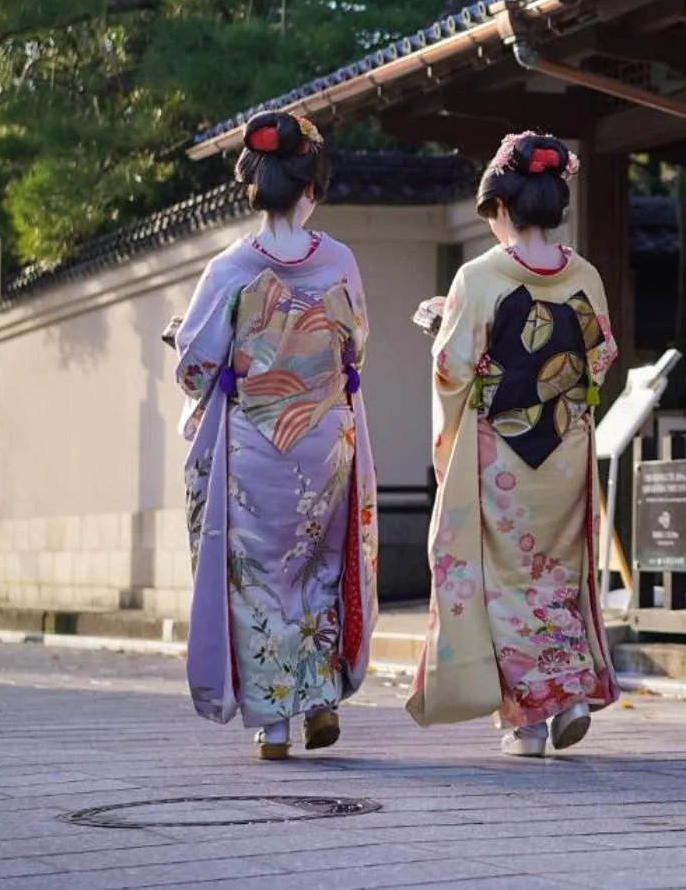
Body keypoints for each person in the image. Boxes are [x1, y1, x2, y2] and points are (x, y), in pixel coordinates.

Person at [172, 111, 377, 760]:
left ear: (252, 184)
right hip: (323, 440)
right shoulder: (338, 259)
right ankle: (318, 696)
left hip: (256, 445)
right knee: (318, 567)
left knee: (257, 577)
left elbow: (195, 364)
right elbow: (357, 347)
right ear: (311, 185)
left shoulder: (230, 266)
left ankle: (275, 723)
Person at [409, 130, 619, 756]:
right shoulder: (584, 275)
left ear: (501, 207)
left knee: (503, 577)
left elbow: (454, 368)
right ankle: (571, 692)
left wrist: (439, 328)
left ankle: (527, 721)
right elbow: (599, 359)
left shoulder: (480, 276)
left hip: (500, 450)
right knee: (557, 573)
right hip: (565, 448)